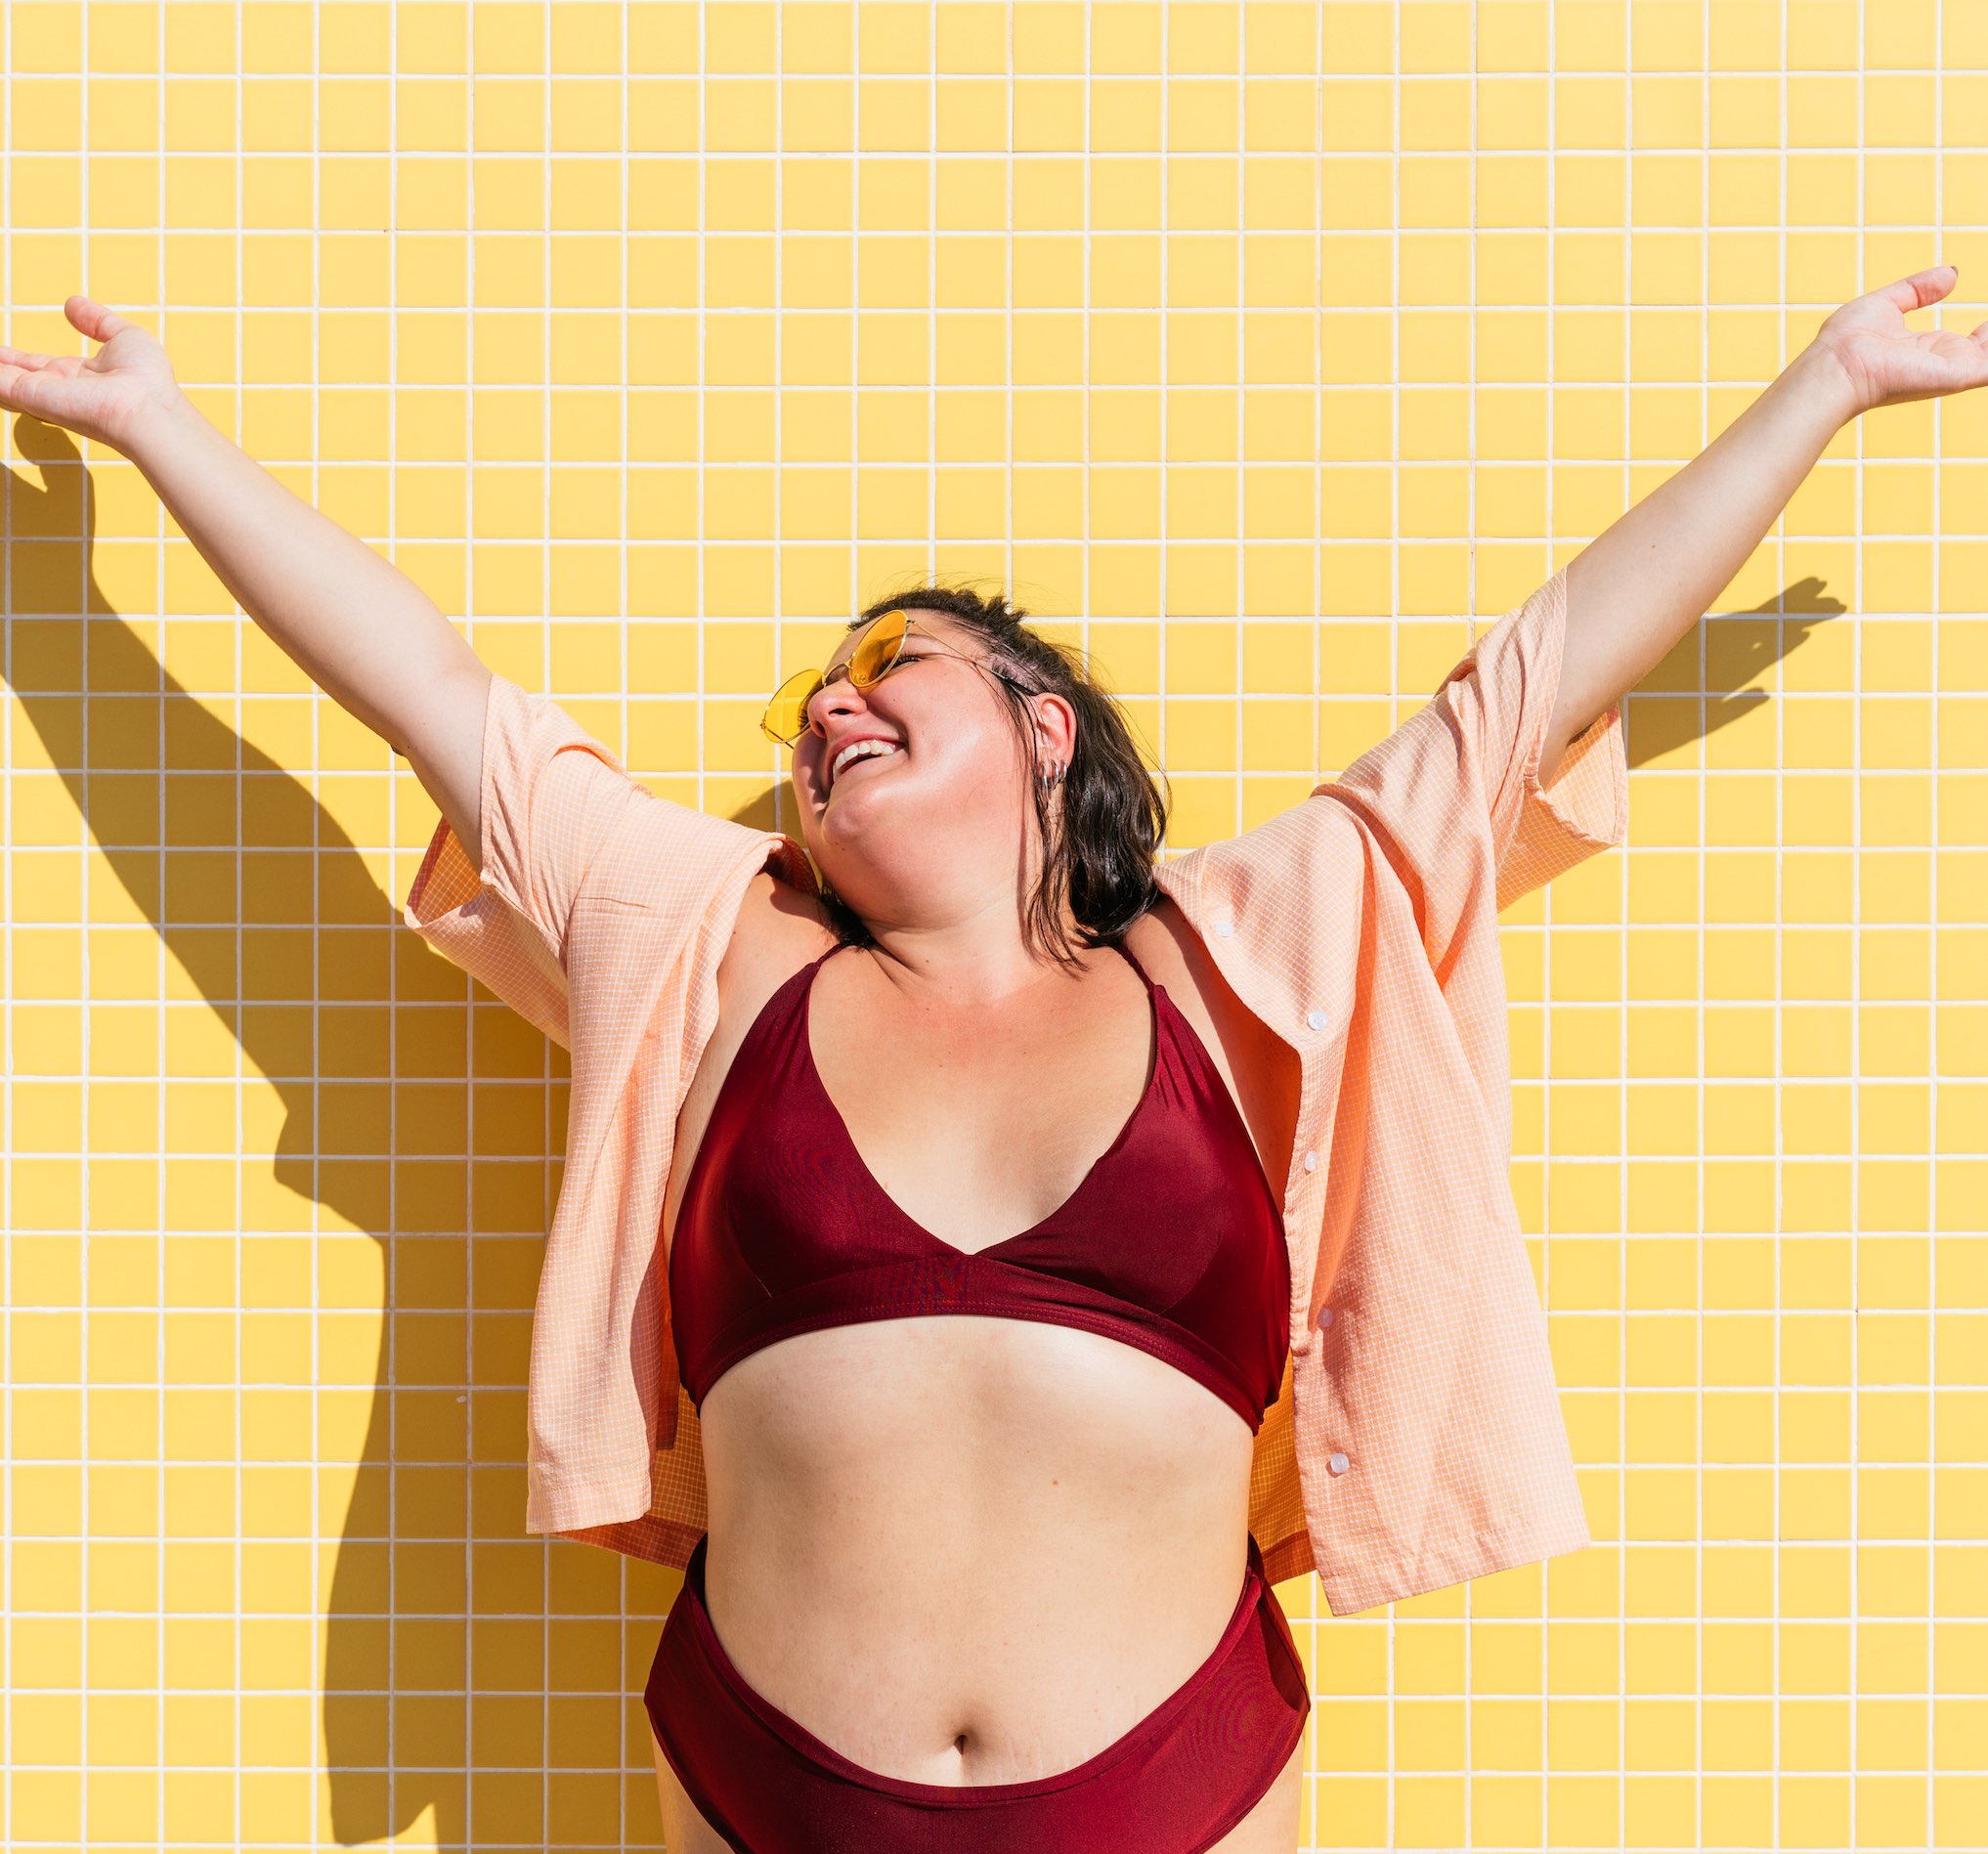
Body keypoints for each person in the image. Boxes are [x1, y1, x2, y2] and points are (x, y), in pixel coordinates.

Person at [1, 268, 1979, 1853]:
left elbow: (1532, 678)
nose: (830, 708)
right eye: (812, 706)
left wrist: (1823, 387)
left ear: (1042, 730)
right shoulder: (707, 930)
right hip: (774, 1778)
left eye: (892, 669)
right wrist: (158, 428)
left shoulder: (1242, 946)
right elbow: (431, 687)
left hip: (1172, 1784)